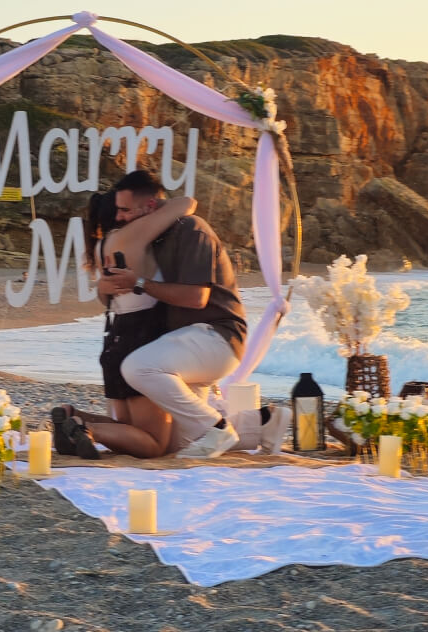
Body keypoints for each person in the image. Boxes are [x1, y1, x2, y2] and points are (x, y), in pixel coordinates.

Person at [99, 170, 290, 458]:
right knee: (178, 442)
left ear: (149, 206)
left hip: (217, 336)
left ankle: (216, 426)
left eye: (125, 210)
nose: (120, 218)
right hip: (186, 343)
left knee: (137, 367)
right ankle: (266, 422)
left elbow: (196, 297)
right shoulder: (158, 236)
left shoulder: (191, 230)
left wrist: (139, 283)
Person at [51, 189, 197, 459]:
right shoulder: (132, 236)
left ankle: (72, 417)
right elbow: (187, 203)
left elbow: (103, 295)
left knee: (130, 430)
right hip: (143, 341)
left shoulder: (101, 245)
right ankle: (85, 428)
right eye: (123, 209)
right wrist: (154, 204)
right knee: (155, 444)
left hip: (115, 341)